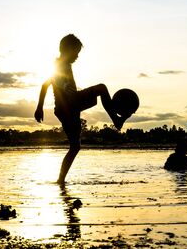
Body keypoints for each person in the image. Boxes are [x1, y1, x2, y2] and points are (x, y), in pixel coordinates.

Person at [34, 34, 129, 184]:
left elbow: (45, 85)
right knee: (102, 88)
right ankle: (116, 120)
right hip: (70, 103)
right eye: (76, 52)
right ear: (67, 49)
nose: (77, 56)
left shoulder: (61, 64)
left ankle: (60, 181)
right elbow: (45, 85)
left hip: (64, 110)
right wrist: (39, 107)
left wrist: (40, 107)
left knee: (75, 146)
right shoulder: (60, 65)